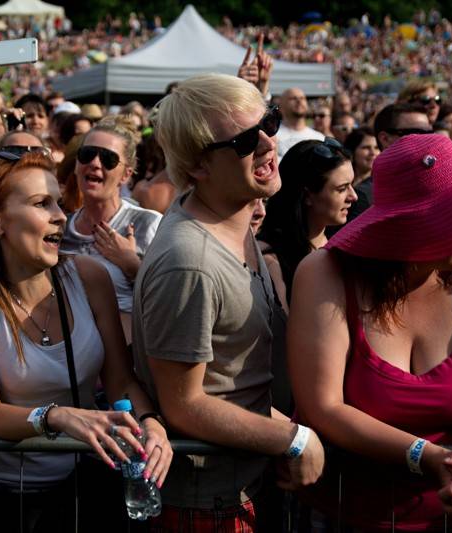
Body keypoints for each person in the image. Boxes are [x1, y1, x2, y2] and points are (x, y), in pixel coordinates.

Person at [134, 73, 324, 531]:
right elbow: (184, 404)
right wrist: (293, 438)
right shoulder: (190, 261)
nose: (269, 144)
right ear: (200, 166)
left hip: (246, 485)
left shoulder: (231, 216)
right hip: (211, 506)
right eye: (244, 141)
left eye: (270, 123)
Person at [289, 134, 452, 530]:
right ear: (412, 225)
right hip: (341, 518)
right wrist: (427, 456)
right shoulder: (326, 273)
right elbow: (323, 406)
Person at [0, 150, 172, 532]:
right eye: (41, 204)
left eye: (58, 202)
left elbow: (120, 382)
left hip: (89, 491)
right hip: (16, 498)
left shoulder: (88, 276)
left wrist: (152, 423)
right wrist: (56, 416)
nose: (61, 216)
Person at [60, 116, 161, 344]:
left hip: (128, 352)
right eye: (87, 154)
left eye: (108, 158)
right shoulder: (60, 229)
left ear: (126, 174)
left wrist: (132, 265)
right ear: (76, 164)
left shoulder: (148, 225)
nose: (95, 163)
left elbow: (170, 301)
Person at [257, 138, 357, 313]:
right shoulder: (270, 259)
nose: (353, 196)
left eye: (352, 185)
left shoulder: (340, 245)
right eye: (342, 189)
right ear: (308, 195)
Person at [275, 87, 324, 160]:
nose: (299, 101)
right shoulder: (273, 136)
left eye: (302, 98)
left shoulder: (319, 138)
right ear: (281, 106)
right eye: (293, 98)